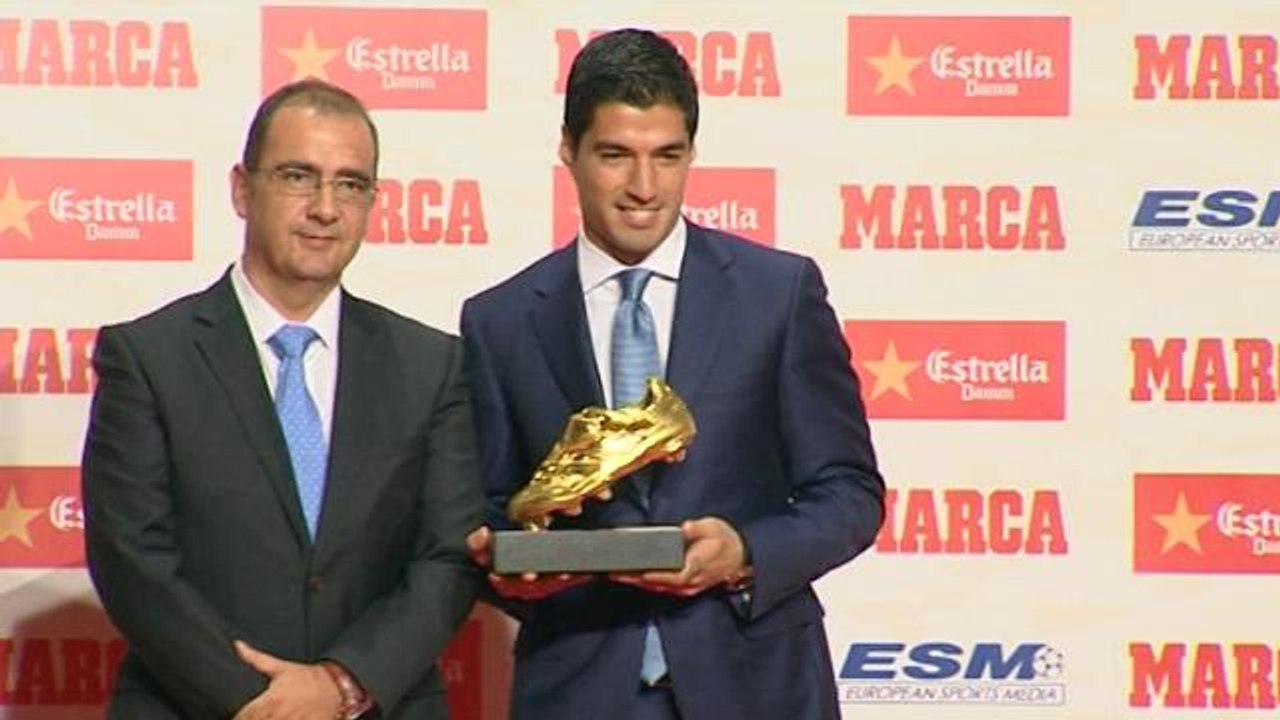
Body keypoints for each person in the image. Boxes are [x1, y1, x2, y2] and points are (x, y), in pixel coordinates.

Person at [461, 28, 884, 720]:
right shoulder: (499, 322)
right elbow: (488, 510)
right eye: (614, 156)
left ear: (692, 152)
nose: (643, 188)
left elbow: (849, 493)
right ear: (568, 151)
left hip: (756, 685)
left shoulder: (777, 294)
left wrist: (744, 551)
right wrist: (518, 573)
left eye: (668, 156)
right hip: (579, 689)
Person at [81, 78, 483, 720]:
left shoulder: (431, 365)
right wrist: (268, 705)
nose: (326, 207)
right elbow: (134, 562)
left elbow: (449, 557)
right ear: (243, 189)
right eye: (299, 177)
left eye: (351, 184)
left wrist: (342, 684)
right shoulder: (149, 358)